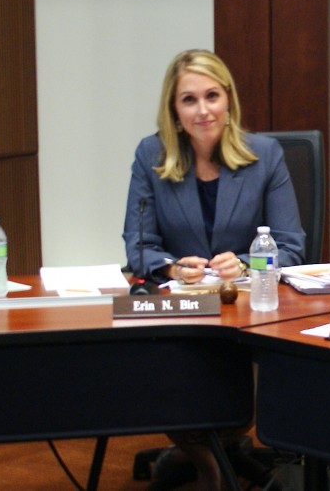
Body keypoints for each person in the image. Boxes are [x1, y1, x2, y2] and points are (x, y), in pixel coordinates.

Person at [122, 48, 306, 488]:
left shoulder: (264, 155)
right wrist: (170, 268)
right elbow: (138, 244)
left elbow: (291, 248)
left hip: (246, 306)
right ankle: (207, 460)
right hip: (182, 307)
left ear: (228, 100)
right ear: (174, 108)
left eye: (212, 96)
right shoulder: (151, 154)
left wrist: (244, 262)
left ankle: (213, 454)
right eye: (189, 100)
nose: (203, 110)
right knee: (176, 357)